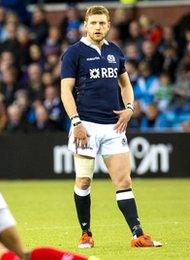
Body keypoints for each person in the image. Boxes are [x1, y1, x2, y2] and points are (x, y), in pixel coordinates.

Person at [60, 6, 162, 248]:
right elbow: (65, 90)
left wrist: (129, 107)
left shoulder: (115, 51)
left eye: (102, 23)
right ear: (85, 25)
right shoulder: (74, 53)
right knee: (84, 181)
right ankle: (86, 233)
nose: (97, 27)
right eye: (93, 23)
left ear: (108, 26)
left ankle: (138, 235)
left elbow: (125, 84)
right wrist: (76, 122)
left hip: (114, 127)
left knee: (124, 181)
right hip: (85, 125)